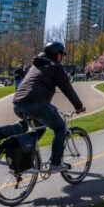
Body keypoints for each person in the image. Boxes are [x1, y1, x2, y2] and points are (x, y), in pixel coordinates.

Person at [13, 42, 86, 172]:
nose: (61, 58)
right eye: (61, 55)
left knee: (39, 129)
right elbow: (67, 88)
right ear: (57, 55)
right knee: (60, 127)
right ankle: (56, 163)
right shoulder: (55, 67)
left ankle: (26, 158)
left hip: (18, 104)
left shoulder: (36, 65)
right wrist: (79, 106)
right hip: (36, 104)